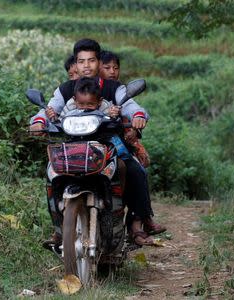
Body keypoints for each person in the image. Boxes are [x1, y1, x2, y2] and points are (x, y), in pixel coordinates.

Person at [30, 39, 164, 247]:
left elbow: (131, 105)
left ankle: (135, 222)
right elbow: (50, 109)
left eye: (91, 60)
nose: (86, 66)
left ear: (98, 62)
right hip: (72, 146)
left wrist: (138, 116)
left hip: (107, 144)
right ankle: (59, 228)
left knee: (133, 170)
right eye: (81, 61)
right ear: (75, 63)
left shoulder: (113, 88)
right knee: (51, 172)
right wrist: (39, 121)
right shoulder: (66, 89)